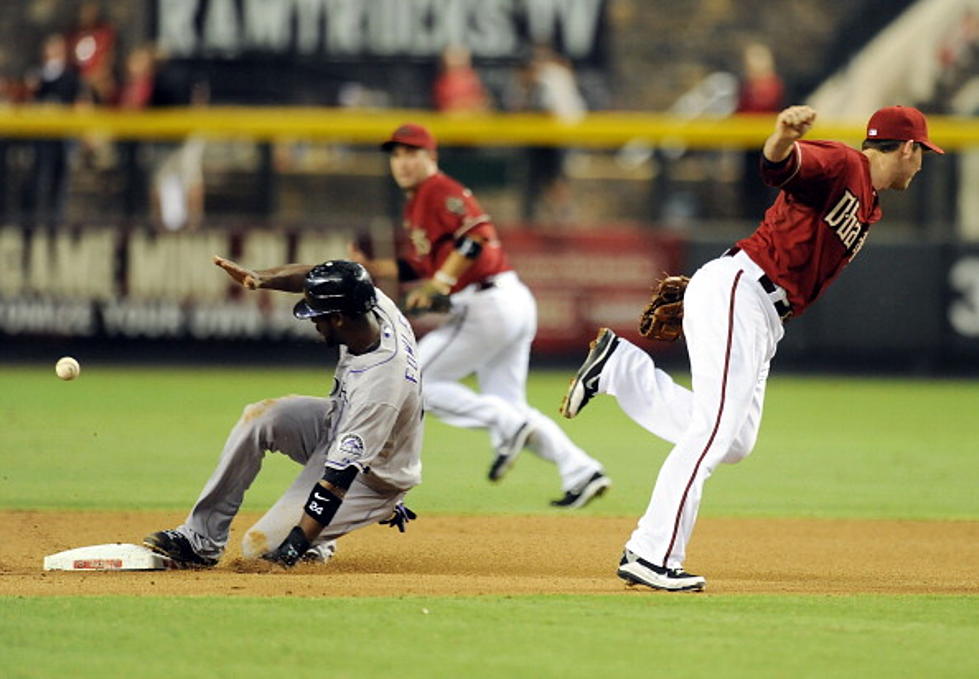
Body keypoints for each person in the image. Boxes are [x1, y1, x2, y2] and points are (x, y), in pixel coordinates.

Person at [559, 105, 943, 591]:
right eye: (922, 153)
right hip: (742, 289)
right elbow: (778, 167)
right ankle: (650, 552)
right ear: (908, 148)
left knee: (734, 441)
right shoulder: (845, 164)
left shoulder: (870, 200)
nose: (922, 163)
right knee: (714, 431)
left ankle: (621, 368)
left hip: (761, 311)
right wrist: (782, 135)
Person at [350, 122, 610, 508]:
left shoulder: (439, 190)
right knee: (508, 405)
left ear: (431, 157)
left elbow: (476, 236)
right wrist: (375, 267)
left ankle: (511, 426)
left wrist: (440, 282)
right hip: (507, 299)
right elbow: (422, 262)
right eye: (397, 155)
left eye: (412, 153)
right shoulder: (420, 200)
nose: (402, 162)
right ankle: (582, 471)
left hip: (486, 303)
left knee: (414, 381)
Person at [144, 259, 423, 568]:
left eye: (318, 316)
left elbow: (336, 481)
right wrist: (260, 278)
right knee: (261, 418)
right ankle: (200, 540)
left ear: (341, 318)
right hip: (341, 424)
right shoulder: (368, 302)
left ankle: (330, 535)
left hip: (373, 475)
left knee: (258, 548)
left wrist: (293, 548)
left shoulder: (379, 386)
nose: (313, 322)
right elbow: (314, 275)